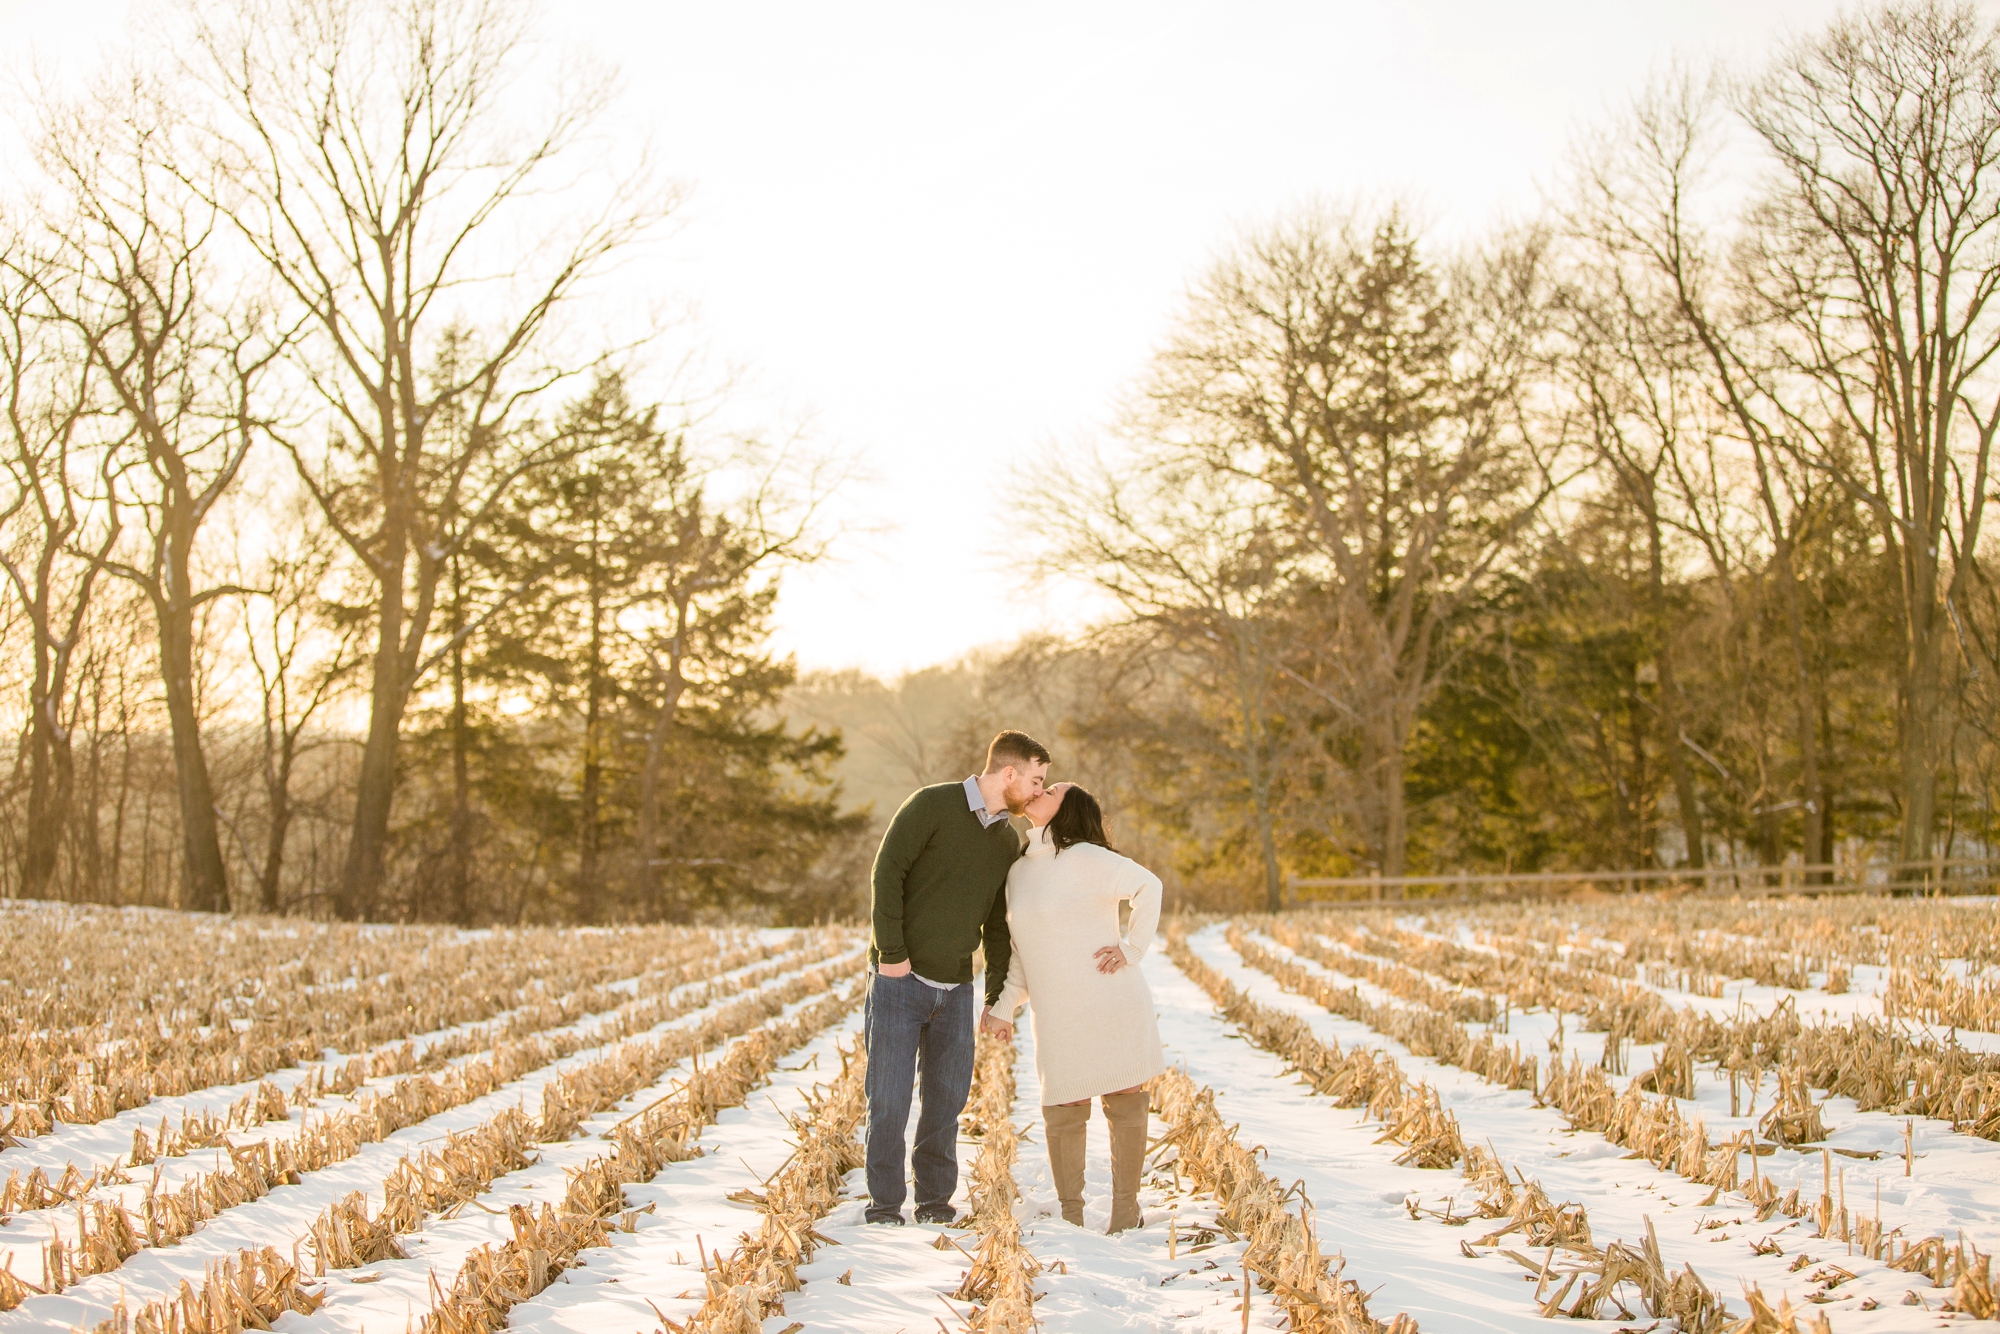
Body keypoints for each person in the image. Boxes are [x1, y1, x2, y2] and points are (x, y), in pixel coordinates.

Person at [863, 729, 1050, 1225]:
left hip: (955, 989)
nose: (1036, 792)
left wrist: (995, 995)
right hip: (899, 981)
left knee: (945, 1105)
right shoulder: (932, 804)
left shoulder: (1005, 840)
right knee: (888, 1100)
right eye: (1034, 780)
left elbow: (995, 923)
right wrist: (892, 952)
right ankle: (883, 1208)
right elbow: (888, 873)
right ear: (1008, 773)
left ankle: (934, 1204)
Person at [985, 783, 1164, 1232]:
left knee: (1125, 1099)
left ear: (1069, 809)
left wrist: (1132, 948)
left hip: (1112, 1001)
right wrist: (1005, 1007)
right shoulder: (1018, 872)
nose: (1038, 790)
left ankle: (1126, 1212)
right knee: (1063, 1108)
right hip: (1058, 1015)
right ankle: (1071, 1217)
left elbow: (1149, 885)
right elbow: (1024, 954)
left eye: (1050, 789)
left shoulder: (1089, 857)